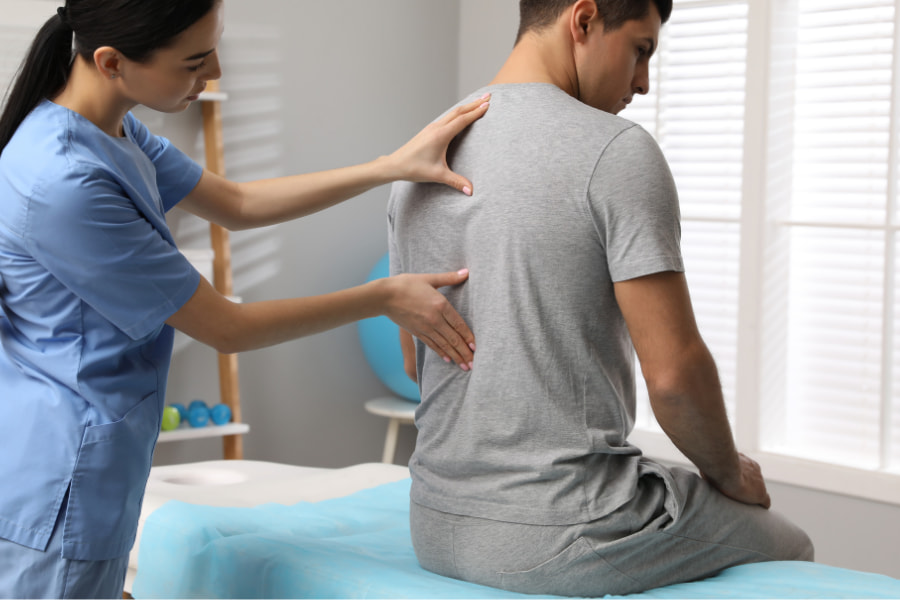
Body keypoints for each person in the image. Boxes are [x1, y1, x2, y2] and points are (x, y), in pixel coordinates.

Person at [0, 1, 489, 597]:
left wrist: (391, 167)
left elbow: (237, 203)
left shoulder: (114, 129)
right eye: (195, 62)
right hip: (60, 483)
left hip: (86, 464)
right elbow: (226, 327)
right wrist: (383, 297)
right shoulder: (67, 182)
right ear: (111, 62)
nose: (216, 74)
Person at [388, 0, 814, 596]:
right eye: (641, 50)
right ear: (583, 20)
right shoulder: (616, 150)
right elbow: (674, 378)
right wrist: (732, 473)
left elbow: (416, 360)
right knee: (791, 545)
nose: (642, 83)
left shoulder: (422, 151)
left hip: (432, 523)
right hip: (563, 532)